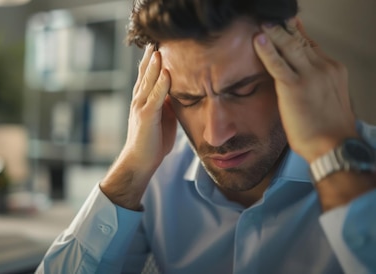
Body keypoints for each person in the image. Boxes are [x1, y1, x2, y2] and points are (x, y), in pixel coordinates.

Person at [37, 0, 376, 273]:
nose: (215, 135)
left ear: (296, 52)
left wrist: (333, 154)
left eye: (243, 90)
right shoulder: (152, 182)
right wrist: (130, 170)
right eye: (188, 99)